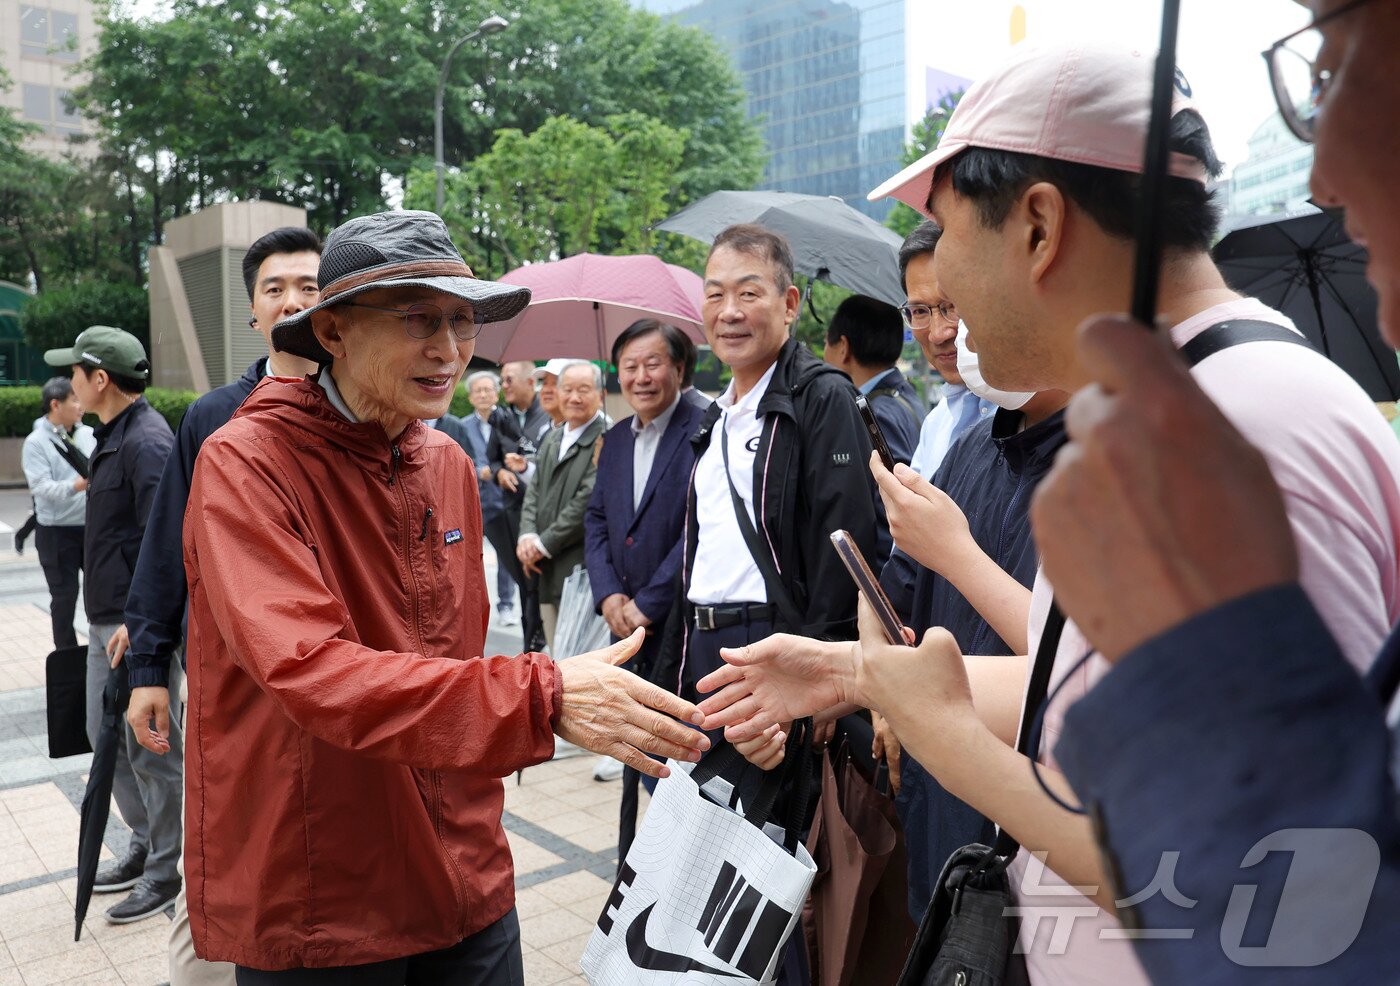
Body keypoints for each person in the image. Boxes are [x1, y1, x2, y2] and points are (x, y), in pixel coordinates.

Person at [696, 40, 1400, 986]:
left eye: (944, 233)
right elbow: (1105, 692)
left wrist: (950, 743)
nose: (938, 293)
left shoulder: (1229, 433)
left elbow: (1280, 883)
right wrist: (852, 672)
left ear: (1037, 227)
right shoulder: (1180, 410)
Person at [168, 210, 707, 982]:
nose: (450, 349)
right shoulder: (247, 463)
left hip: (466, 866)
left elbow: (456, 656)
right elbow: (313, 672)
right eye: (419, 317)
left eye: (463, 321)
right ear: (334, 332)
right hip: (327, 889)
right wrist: (540, 695)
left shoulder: (448, 462)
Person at [1021, 1, 1400, 980]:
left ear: (1033, 222)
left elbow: (1309, 912)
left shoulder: (1247, 424)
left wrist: (1205, 661)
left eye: (1327, 59)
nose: (1317, 172)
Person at [123, 225, 321, 984]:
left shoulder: (361, 407)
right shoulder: (213, 418)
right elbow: (168, 548)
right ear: (252, 312)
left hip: (331, 683)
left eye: (309, 286)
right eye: (275, 288)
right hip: (235, 690)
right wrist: (148, 666)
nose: (293, 300)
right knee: (223, 862)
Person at [41, 325, 183, 925]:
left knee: (150, 748)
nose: (70, 382)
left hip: (131, 626)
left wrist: (141, 621)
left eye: (76, 372)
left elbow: (168, 539)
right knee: (111, 741)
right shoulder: (114, 436)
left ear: (100, 380)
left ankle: (164, 872)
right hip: (106, 618)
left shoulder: (147, 442)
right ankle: (144, 845)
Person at [585, 319, 707, 783]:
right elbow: (596, 518)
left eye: (652, 364)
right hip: (624, 623)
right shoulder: (615, 440)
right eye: (629, 366)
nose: (640, 377)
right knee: (638, 748)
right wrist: (609, 594)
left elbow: (700, 526)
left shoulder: (705, 429)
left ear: (678, 367)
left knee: (681, 758)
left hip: (680, 624)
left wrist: (648, 603)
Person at [518, 360, 607, 650]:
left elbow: (588, 498)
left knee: (579, 660)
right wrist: (528, 536)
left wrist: (542, 544)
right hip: (546, 569)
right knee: (557, 656)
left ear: (600, 394)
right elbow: (534, 492)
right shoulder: (554, 437)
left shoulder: (606, 437)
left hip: (581, 571)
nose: (574, 397)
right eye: (567, 389)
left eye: (584, 390)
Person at [899, 221, 995, 480]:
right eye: (919, 311)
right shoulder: (935, 425)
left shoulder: (1037, 414)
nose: (938, 333)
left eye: (952, 306)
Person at [21, 376, 95, 649]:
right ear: (55, 404)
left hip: (89, 528)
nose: (80, 405)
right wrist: (77, 485)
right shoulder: (36, 442)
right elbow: (41, 487)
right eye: (74, 399)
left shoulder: (86, 434)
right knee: (64, 600)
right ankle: (68, 662)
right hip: (55, 533)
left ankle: (100, 653)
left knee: (99, 595)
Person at [488, 359, 551, 651]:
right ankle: (530, 647)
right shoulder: (501, 416)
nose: (505, 386)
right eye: (502, 380)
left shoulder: (549, 412)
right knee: (524, 581)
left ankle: (539, 640)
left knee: (539, 581)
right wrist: (500, 471)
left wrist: (527, 465)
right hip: (512, 509)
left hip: (542, 511)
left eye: (510, 379)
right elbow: (493, 458)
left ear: (530, 382)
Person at [822, 294, 924, 467]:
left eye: (826, 342)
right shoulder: (906, 394)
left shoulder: (873, 414)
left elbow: (888, 487)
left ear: (843, 347)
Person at [458, 370, 518, 626]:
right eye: (478, 391)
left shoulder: (508, 421)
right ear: (470, 397)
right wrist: (475, 471)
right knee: (468, 557)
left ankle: (506, 605)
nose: (483, 394)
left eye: (487, 390)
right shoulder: (461, 426)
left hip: (503, 499)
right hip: (472, 501)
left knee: (506, 557)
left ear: (496, 393)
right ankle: (470, 607)